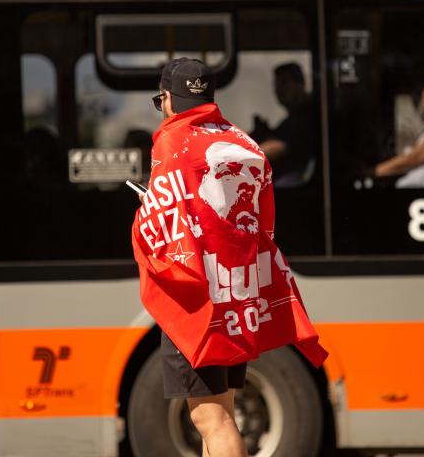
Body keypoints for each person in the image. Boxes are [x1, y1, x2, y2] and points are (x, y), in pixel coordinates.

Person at [132, 58, 326, 457]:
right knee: (222, 412)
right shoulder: (239, 139)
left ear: (168, 98)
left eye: (161, 100)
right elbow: (260, 220)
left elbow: (163, 224)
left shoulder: (173, 140)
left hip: (199, 298)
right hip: (236, 293)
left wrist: (145, 208)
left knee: (210, 420)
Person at [253, 63, 317, 187]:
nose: (279, 90)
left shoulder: (305, 116)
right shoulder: (294, 117)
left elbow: (276, 146)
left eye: (285, 83)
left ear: (300, 84)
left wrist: (238, 157)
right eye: (276, 85)